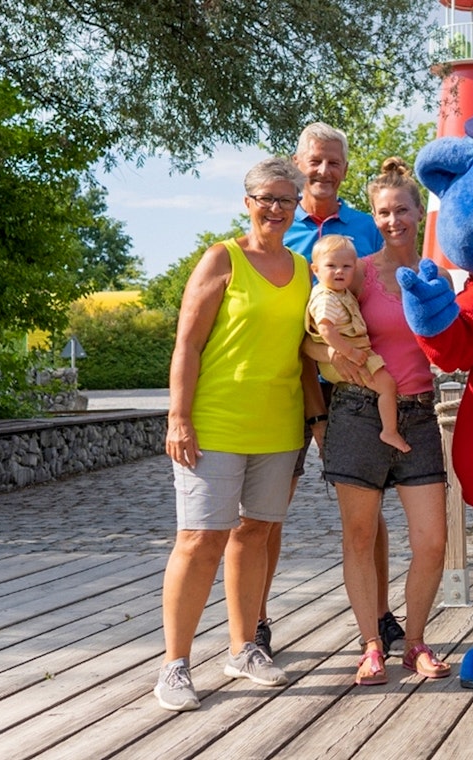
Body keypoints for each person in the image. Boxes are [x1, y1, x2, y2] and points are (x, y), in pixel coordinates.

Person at [156, 156, 320, 712]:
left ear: (298, 205)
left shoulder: (303, 270)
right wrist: (179, 417)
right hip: (215, 424)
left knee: (255, 535)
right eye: (266, 198)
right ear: (246, 203)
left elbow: (306, 356)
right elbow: (188, 345)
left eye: (286, 200)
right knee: (200, 540)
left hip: (279, 428)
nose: (276, 208)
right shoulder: (221, 258)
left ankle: (244, 648)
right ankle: (174, 666)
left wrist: (317, 420)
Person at [251, 122, 404, 661]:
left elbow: (384, 298)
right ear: (297, 162)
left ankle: (381, 616)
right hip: (289, 391)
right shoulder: (276, 230)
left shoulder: (365, 229)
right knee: (269, 510)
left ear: (344, 167)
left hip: (356, 391)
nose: (323, 171)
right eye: (314, 161)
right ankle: (257, 621)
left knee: (368, 510)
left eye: (334, 162)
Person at [313, 157, 452, 685]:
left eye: (401, 210)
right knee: (359, 536)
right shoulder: (356, 271)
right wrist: (326, 347)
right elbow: (315, 326)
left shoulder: (435, 274)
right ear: (374, 218)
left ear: (419, 213)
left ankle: (414, 640)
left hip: (418, 414)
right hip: (357, 411)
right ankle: (372, 642)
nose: (392, 220)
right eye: (382, 212)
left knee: (432, 541)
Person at [307, 234, 410, 453]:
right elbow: (325, 328)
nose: (339, 271)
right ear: (315, 270)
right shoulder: (326, 297)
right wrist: (349, 353)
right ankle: (389, 431)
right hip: (345, 358)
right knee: (387, 386)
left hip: (348, 353)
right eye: (331, 266)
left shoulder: (339, 293)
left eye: (346, 266)